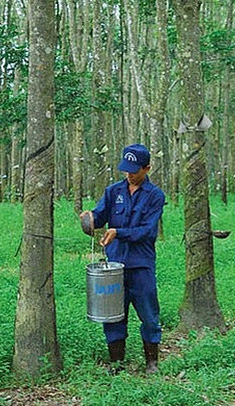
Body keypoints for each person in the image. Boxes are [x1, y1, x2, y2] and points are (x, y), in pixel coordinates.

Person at [80, 144, 165, 374]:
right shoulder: (113, 192)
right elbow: (99, 215)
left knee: (148, 313)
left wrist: (119, 232)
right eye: (126, 170)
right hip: (114, 266)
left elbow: (147, 231)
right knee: (113, 313)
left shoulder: (155, 196)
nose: (129, 175)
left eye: (134, 170)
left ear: (147, 168)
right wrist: (89, 219)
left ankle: (152, 362)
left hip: (141, 265)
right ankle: (116, 364)